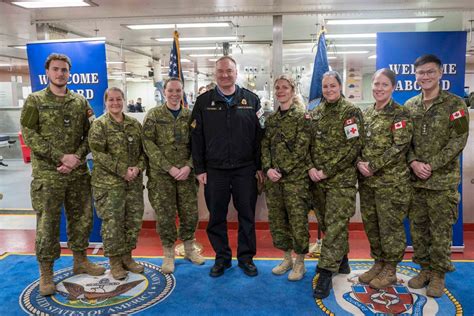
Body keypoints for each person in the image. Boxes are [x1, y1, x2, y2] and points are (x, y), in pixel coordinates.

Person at [20, 53, 105, 296]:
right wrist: (61, 157)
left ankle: (81, 260)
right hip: (48, 174)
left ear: (70, 73)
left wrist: (75, 157)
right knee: (47, 224)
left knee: (82, 218)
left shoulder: (79, 102)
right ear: (47, 72)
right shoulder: (34, 101)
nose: (60, 74)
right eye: (55, 69)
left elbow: (92, 134)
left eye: (64, 70)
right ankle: (46, 273)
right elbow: (29, 135)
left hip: (77, 173)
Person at [191, 56, 265, 277]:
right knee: (216, 217)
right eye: (221, 71)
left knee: (246, 216)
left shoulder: (252, 100)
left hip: (245, 169)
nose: (225, 75)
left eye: (229, 71)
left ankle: (246, 258)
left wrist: (260, 167)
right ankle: (222, 258)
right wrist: (200, 169)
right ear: (215, 74)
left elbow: (260, 137)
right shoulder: (203, 102)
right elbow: (196, 138)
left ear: (236, 72)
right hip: (215, 170)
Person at [405, 54, 469, 297]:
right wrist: (413, 163)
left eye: (430, 72)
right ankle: (424, 270)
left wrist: (429, 165)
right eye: (421, 73)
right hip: (416, 182)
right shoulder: (410, 106)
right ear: (415, 76)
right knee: (419, 230)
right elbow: (404, 142)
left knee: (441, 232)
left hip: (442, 183)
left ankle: (438, 275)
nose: (425, 77)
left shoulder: (455, 105)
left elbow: (458, 140)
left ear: (441, 73)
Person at [356, 68, 413, 289]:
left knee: (390, 228)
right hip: (368, 183)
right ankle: (378, 262)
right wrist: (359, 162)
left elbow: (400, 146)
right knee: (372, 225)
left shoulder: (400, 114)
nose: (379, 88)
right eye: (377, 84)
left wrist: (373, 165)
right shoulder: (367, 114)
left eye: (385, 85)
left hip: (391, 183)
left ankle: (390, 269)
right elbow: (357, 143)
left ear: (393, 88)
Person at [309, 71, 363, 299]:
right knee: (327, 224)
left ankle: (325, 271)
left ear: (340, 86)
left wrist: (326, 170)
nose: (329, 90)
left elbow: (354, 147)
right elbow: (308, 145)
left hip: (340, 181)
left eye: (333, 85)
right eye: (325, 86)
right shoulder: (316, 112)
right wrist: (311, 167)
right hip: (318, 182)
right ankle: (342, 260)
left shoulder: (351, 112)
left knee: (335, 224)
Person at [143, 78, 205, 274]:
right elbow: (148, 144)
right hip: (162, 176)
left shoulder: (190, 116)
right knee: (165, 215)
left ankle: (188, 249)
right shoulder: (154, 115)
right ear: (164, 92)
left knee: (189, 213)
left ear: (182, 92)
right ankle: (168, 254)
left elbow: (198, 144)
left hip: (186, 175)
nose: (174, 94)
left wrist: (188, 166)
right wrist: (169, 167)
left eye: (178, 90)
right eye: (171, 90)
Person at [88, 87, 145, 280]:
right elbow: (98, 154)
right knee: (113, 224)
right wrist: (123, 170)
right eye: (111, 100)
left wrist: (137, 168)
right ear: (105, 102)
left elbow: (143, 152)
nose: (115, 103)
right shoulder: (99, 125)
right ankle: (114, 262)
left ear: (123, 100)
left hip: (133, 184)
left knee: (132, 221)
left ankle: (127, 258)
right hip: (108, 185)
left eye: (118, 99)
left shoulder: (134, 124)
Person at [261, 74, 311, 281]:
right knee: (278, 221)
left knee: (297, 221)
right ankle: (286, 258)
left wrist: (280, 170)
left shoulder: (301, 116)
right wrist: (267, 168)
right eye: (277, 88)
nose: (281, 91)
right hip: (273, 182)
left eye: (285, 87)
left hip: (294, 181)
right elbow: (264, 146)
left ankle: (300, 262)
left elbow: (301, 148)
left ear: (292, 90)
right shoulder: (271, 119)